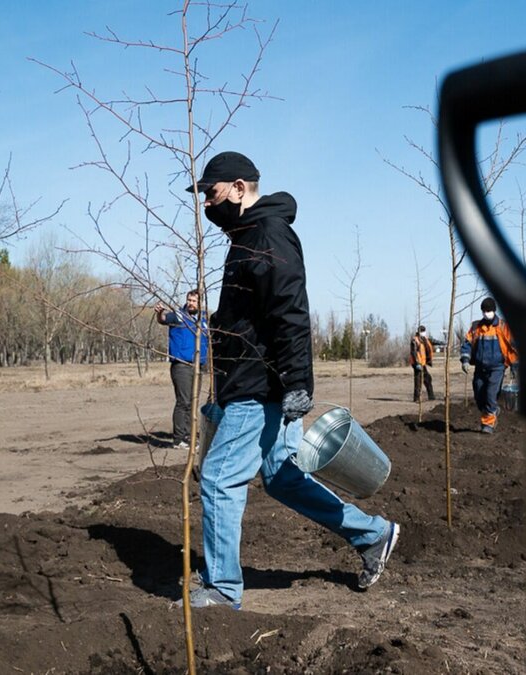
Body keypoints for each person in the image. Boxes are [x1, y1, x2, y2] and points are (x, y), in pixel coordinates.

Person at [182, 151, 399, 609]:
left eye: (211, 192)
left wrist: (299, 382)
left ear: (239, 188)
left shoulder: (266, 234)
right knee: (281, 477)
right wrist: (217, 319)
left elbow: (290, 313)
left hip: (258, 385)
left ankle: (222, 590)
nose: (206, 204)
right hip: (252, 379)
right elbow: (254, 316)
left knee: (220, 479)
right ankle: (374, 534)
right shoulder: (246, 237)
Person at [155, 290, 209, 450]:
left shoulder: (203, 320)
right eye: (189, 300)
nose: (191, 303)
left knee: (193, 402)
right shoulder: (178, 316)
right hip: (182, 365)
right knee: (183, 401)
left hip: (198, 366)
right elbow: (163, 319)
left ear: (200, 303)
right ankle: (179, 439)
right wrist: (159, 313)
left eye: (194, 301)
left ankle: (190, 436)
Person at [460, 297, 518, 433]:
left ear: (494, 311)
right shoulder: (476, 327)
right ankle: (492, 410)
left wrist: (515, 365)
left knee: (491, 394)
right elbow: (467, 344)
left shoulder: (503, 327)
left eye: (489, 310)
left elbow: (513, 347)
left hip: (497, 367)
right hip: (480, 368)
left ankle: (488, 424)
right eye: (484, 311)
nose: (486, 313)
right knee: (479, 395)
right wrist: (465, 360)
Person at [409, 325, 435, 402]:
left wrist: (443, 343)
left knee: (427, 378)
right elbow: (413, 352)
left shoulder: (424, 339)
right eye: (422, 331)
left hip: (422, 363)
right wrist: (417, 363)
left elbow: (432, 341)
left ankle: (431, 396)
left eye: (424, 331)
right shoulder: (415, 340)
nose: (423, 332)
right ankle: (416, 398)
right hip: (417, 363)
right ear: (419, 331)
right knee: (418, 380)